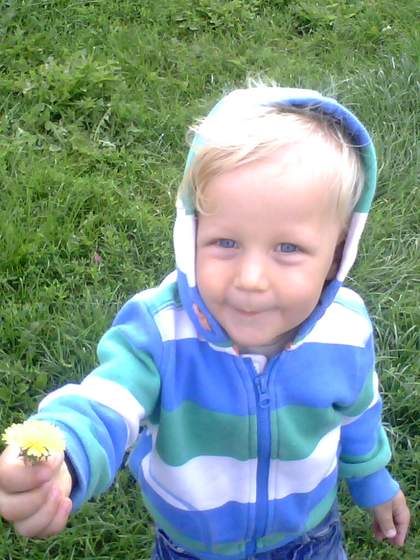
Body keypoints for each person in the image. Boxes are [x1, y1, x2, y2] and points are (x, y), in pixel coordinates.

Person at [0, 85, 410, 559]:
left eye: (288, 248)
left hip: (309, 538)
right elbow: (105, 400)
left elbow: (359, 408)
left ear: (337, 256)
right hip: (191, 547)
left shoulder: (346, 330)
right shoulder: (160, 330)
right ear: (190, 233)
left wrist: (373, 477)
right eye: (225, 243)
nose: (251, 279)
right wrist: (65, 449)